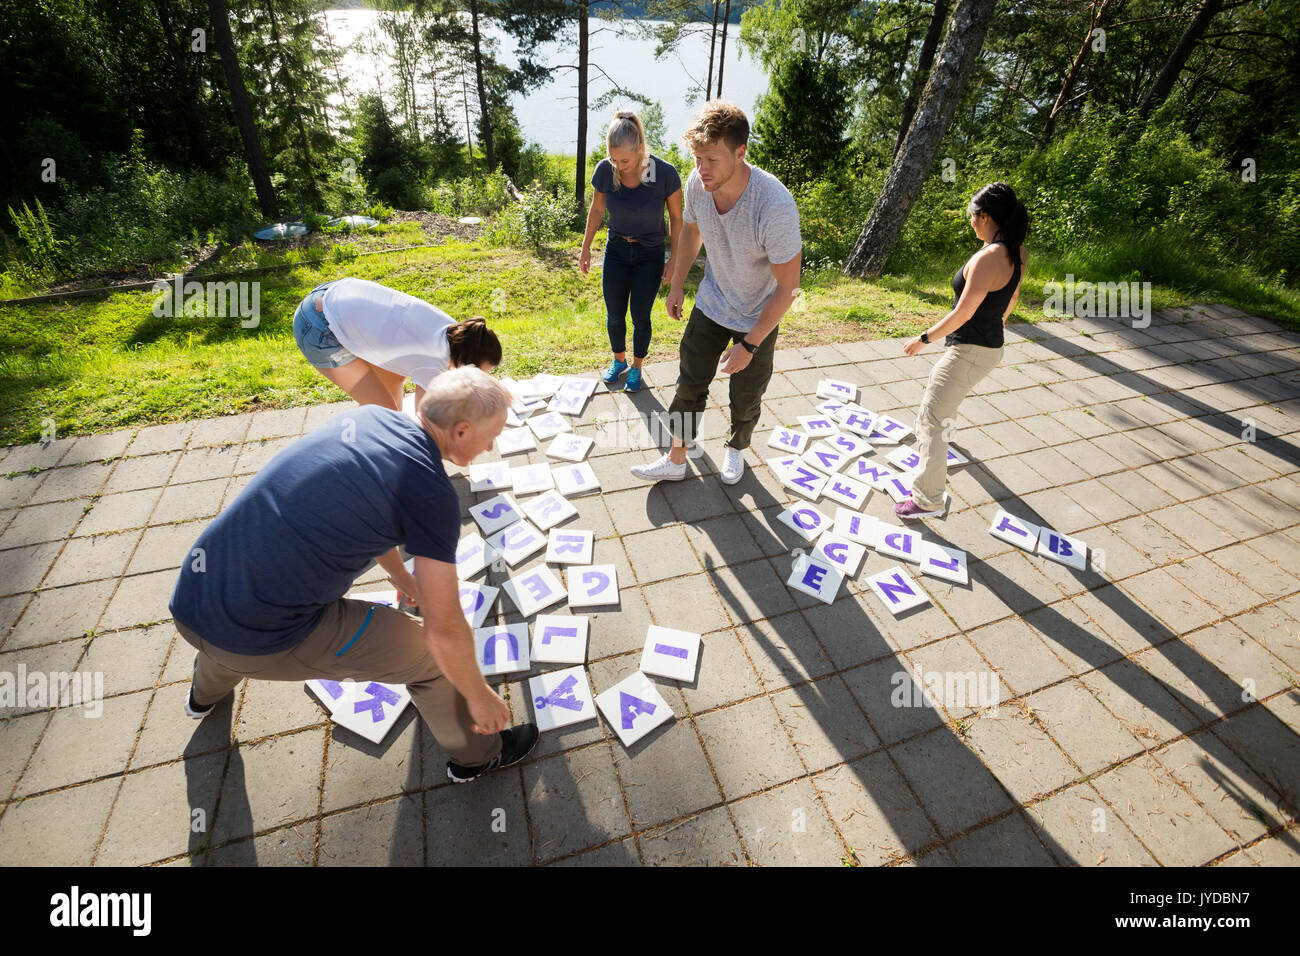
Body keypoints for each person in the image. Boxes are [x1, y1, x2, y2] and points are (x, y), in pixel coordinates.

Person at [168, 366, 538, 783]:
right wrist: (479, 696)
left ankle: (203, 698)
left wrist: (400, 576)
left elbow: (361, 500)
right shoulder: (432, 495)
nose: (492, 447)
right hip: (263, 640)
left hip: (192, 599)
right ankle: (478, 756)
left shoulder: (371, 419)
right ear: (462, 431)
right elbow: (445, 629)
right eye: (493, 434)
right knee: (435, 661)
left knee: (239, 615)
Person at [630, 100, 802, 485]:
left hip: (759, 313)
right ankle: (676, 457)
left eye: (711, 159)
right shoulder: (698, 182)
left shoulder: (774, 206)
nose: (701, 169)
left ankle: (736, 448)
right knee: (689, 382)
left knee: (746, 395)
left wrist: (751, 344)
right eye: (696, 158)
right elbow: (691, 229)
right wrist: (676, 281)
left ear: (741, 153)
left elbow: (789, 288)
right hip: (712, 301)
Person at [895, 182, 1029, 520]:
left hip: (969, 351)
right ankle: (944, 446)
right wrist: (996, 324)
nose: (970, 222)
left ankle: (928, 499)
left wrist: (922, 339)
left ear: (985, 217)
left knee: (930, 419)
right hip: (989, 348)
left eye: (972, 216)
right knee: (945, 406)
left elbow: (962, 313)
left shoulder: (988, 258)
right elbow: (1011, 299)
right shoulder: (1017, 251)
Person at [580, 110, 684, 392]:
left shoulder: (663, 173)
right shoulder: (606, 170)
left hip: (649, 255)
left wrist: (674, 258)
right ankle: (619, 361)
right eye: (614, 159)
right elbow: (597, 208)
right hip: (616, 251)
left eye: (624, 160)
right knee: (614, 314)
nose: (619, 166)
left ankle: (637, 367)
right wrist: (586, 247)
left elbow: (677, 218)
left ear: (640, 148)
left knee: (640, 315)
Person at [292, 276, 502, 411]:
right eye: (481, 373)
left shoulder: (455, 331)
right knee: (386, 415)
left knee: (395, 377)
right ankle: (377, 461)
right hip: (318, 328)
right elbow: (426, 420)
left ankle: (388, 443)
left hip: (330, 293)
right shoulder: (435, 360)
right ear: (465, 362)